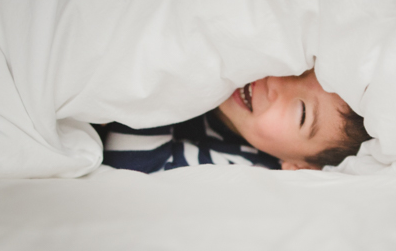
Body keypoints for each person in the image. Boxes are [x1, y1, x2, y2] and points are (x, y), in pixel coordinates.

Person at [98, 69, 370, 173]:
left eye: (301, 112)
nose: (274, 82)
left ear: (301, 167)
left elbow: (133, 164)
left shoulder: (245, 167)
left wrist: (174, 82)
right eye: (295, 70)